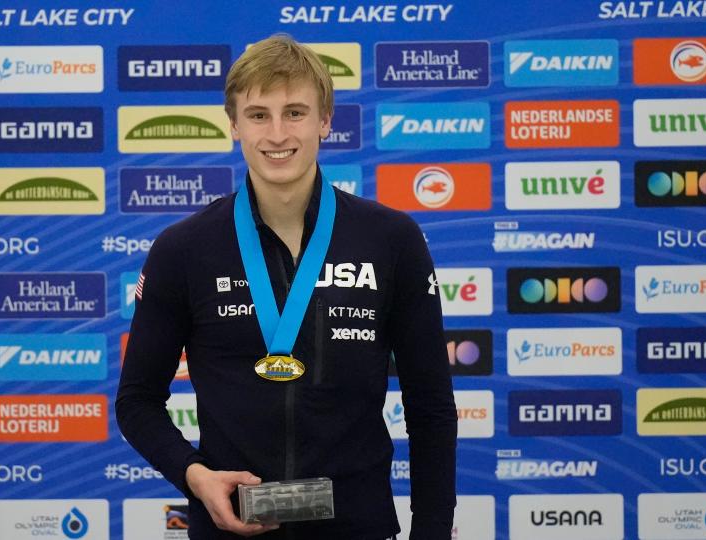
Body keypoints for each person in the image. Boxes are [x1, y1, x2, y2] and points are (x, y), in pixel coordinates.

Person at [116, 34, 457, 540]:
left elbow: (429, 405)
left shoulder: (391, 240)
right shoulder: (183, 250)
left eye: (295, 112)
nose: (277, 134)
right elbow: (137, 400)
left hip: (358, 528)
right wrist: (194, 474)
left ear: (325, 121)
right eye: (258, 115)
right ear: (233, 125)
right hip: (229, 527)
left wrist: (431, 533)